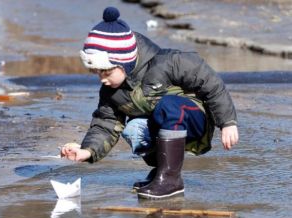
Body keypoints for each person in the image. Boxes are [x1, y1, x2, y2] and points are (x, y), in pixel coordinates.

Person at [60, 6, 239, 199]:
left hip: (194, 119)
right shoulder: (110, 92)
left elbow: (210, 82)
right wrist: (87, 151)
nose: (102, 79)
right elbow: (106, 124)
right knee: (133, 129)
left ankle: (171, 180)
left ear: (125, 63)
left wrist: (227, 123)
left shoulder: (167, 63)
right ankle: (161, 173)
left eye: (106, 72)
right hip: (165, 125)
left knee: (168, 105)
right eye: (97, 73)